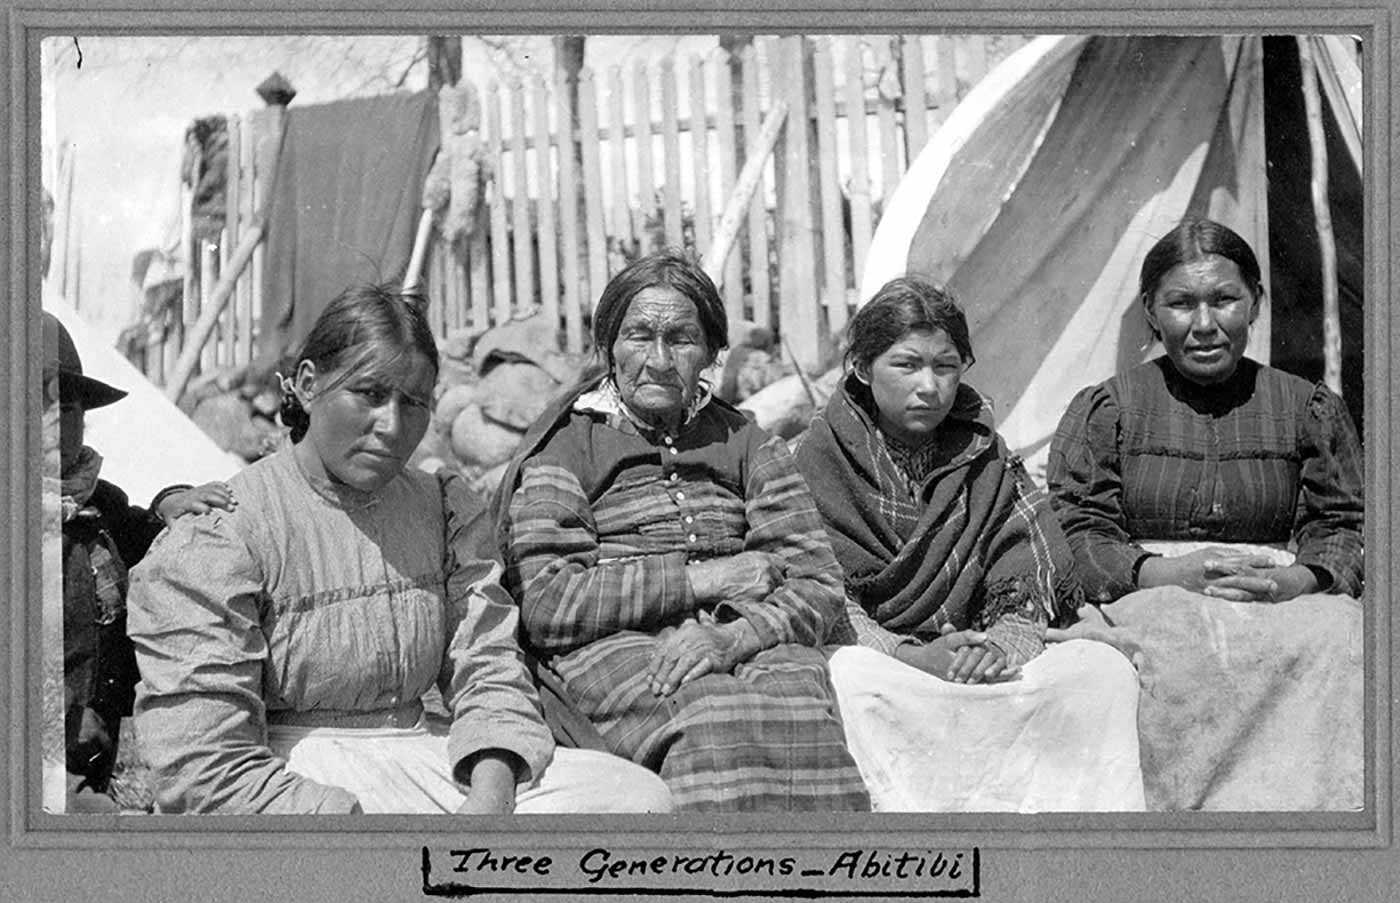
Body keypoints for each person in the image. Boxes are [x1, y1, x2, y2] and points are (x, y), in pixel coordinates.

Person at [127, 283, 672, 815]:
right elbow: (204, 761)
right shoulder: (224, 531)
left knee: (635, 798)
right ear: (309, 384)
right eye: (369, 394)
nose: (391, 425)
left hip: (421, 755)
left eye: (413, 403)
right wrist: (348, 825)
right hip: (292, 776)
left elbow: (487, 665)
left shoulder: (440, 508)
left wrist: (491, 793)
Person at [494, 251, 870, 812]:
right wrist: (703, 580)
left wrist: (735, 637)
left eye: (682, 339)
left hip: (739, 634)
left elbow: (815, 580)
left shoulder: (748, 443)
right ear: (608, 349)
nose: (660, 359)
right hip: (610, 645)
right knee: (710, 715)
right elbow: (548, 601)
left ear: (713, 355)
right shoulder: (568, 448)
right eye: (639, 336)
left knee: (798, 706)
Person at [792, 276, 1145, 812]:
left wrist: (1001, 643)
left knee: (1100, 674)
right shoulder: (816, 459)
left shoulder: (985, 454)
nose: (929, 386)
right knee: (845, 678)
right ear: (863, 369)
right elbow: (822, 591)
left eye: (946, 366)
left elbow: (1023, 566)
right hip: (885, 663)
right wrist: (913, 655)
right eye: (906, 365)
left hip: (979, 656)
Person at [1046, 217, 1364, 810]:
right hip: (1147, 597)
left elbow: (1342, 523)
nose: (1204, 325)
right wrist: (1168, 575)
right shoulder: (1108, 409)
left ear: (1256, 302)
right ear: (1151, 310)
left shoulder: (1308, 408)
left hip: (1277, 603)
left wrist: (1293, 580)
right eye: (1180, 303)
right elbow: (1079, 530)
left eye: (1225, 300)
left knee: (1346, 639)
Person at [45, 311, 232, 812]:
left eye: (66, 406)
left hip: (93, 752)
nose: (52, 422)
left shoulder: (98, 506)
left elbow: (148, 541)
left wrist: (170, 502)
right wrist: (58, 720)